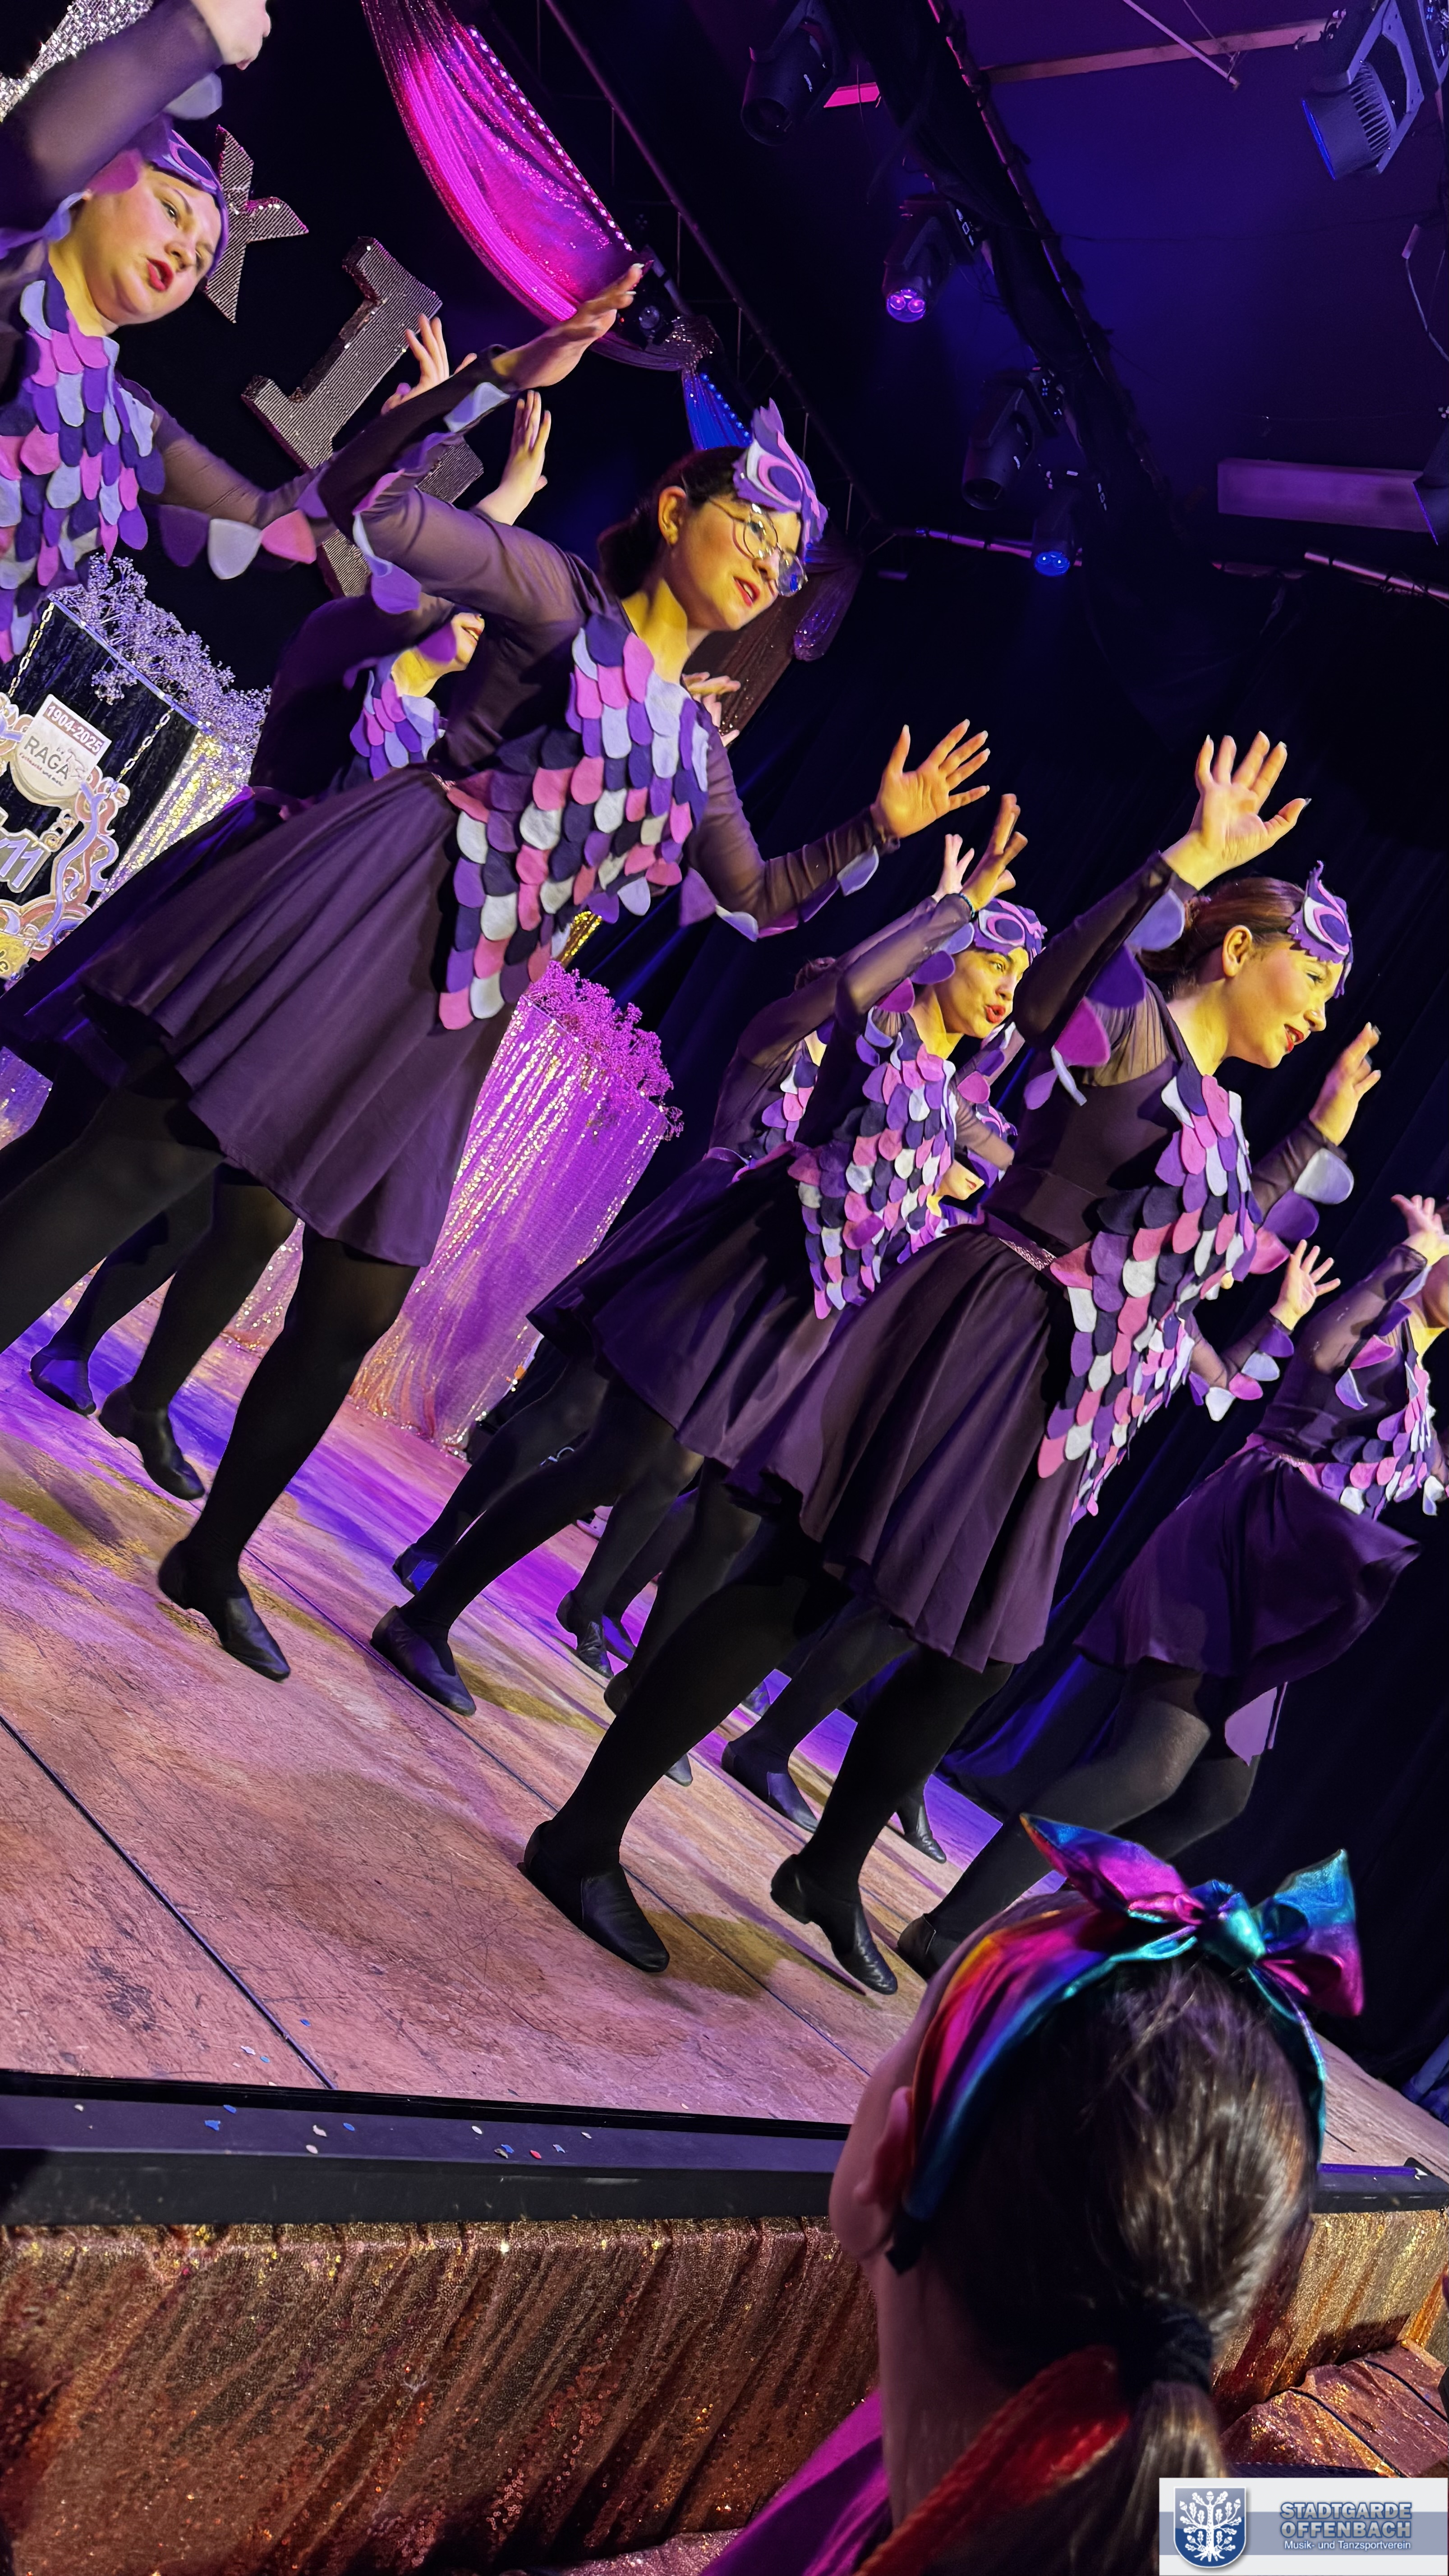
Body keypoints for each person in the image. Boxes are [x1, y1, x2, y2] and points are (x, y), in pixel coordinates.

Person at [0, 311, 988, 1681]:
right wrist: (484, 384)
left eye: (784, 563)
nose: (766, 567)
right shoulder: (552, 594)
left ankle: (211, 1555)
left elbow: (756, 898)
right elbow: (369, 510)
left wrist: (879, 832)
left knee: (354, 1301)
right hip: (380, 902)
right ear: (673, 511)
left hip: (463, 1009)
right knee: (142, 1160)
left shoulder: (694, 745)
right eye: (750, 532)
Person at [516, 731, 1379, 1987]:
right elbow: (1047, 998)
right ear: (1237, 950)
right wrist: (1182, 864)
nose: (1314, 1014)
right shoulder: (1131, 1028)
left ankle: (827, 1867)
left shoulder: (1219, 1111)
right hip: (988, 1324)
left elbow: (1209, 1245)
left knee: (981, 1650)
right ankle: (581, 1833)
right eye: (1309, 979)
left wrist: (1313, 1138)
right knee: (797, 1582)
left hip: (1059, 1400)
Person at [369, 815, 1039, 1720]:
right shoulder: (875, 1044)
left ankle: (626, 1675)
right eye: (994, 964)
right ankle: (427, 1608)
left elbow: (1005, 1164)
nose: (1005, 989)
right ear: (943, 958)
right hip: (739, 1272)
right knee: (607, 1456)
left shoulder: (944, 1100)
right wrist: (949, 908)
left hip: (797, 1318)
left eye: (1017, 976)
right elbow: (852, 987)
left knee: (692, 1496)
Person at [11, 396, 552, 1496]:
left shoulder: (441, 755)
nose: (472, 629)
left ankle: (121, 1375)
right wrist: (495, 492)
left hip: (316, 973)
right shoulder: (346, 667)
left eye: (482, 627)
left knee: (236, 1208)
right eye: (464, 612)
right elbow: (402, 575)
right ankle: (66, 1332)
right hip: (234, 915)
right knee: (92, 1133)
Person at [698, 1820, 1357, 2576]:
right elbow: (1389, 2534)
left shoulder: (920, 2452)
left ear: (888, 2162)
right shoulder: (1316, 2530)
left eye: (912, 2033)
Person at [897, 1194, 1448, 1976]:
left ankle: (1049, 1943)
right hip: (1244, 1538)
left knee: (1213, 1796)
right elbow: (1325, 1350)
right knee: (1149, 1765)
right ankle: (947, 1930)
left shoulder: (1417, 1381)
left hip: (1288, 1579)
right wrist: (1410, 1255)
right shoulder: (1382, 1323)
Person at [0, 0, 335, 669]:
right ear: (99, 181)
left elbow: (277, 532)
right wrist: (198, 28)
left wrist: (438, 419)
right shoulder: (15, 272)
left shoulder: (127, 422)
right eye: (171, 210)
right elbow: (38, 157)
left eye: (204, 258)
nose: (186, 251)